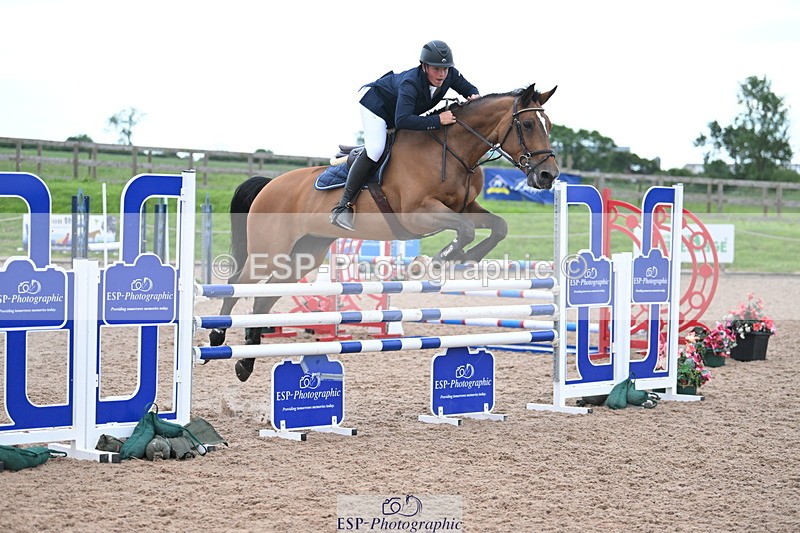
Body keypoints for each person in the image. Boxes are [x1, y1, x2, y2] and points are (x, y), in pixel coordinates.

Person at [330, 40, 481, 231]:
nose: (442, 74)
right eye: (436, 69)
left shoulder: (449, 75)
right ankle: (342, 207)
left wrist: (474, 97)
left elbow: (469, 89)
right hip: (377, 107)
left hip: (400, 111)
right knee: (376, 150)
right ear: (424, 66)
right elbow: (402, 120)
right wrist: (437, 121)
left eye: (445, 69)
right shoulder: (411, 83)